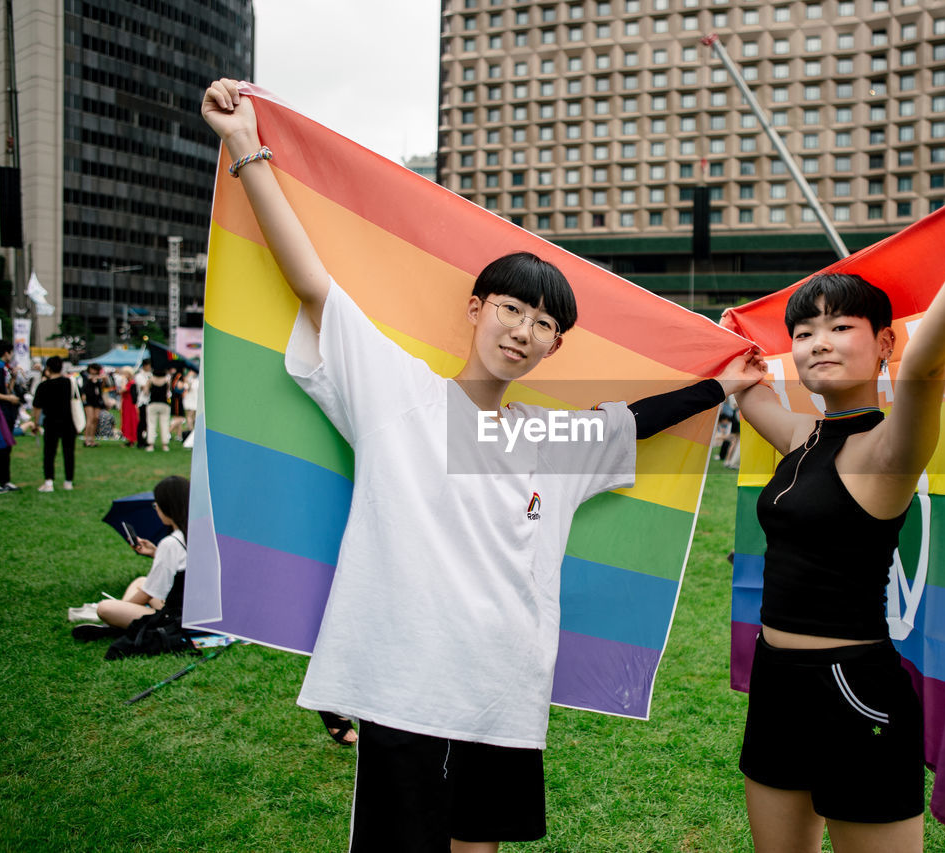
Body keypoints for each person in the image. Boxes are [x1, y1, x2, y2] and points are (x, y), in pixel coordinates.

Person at [202, 78, 764, 852]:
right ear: (476, 308)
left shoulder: (547, 442)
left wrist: (719, 386)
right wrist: (244, 147)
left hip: (504, 690)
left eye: (543, 323)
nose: (524, 330)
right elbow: (312, 281)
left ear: (554, 346)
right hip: (403, 687)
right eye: (511, 309)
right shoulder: (400, 397)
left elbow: (635, 420)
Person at [731, 162, 945, 852]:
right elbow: (743, 385)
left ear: (882, 344)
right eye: (804, 331)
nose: (817, 341)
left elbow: (930, 367)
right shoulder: (801, 435)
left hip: (855, 693)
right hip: (776, 685)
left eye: (840, 326)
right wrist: (725, 339)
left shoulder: (887, 450)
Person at [73, 476, 191, 629]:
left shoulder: (170, 543)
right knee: (140, 581)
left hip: (177, 619)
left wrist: (122, 608)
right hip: (197, 610)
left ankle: (116, 625)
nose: (156, 509)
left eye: (157, 505)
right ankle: (120, 619)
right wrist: (155, 553)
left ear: (167, 507)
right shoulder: (199, 533)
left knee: (106, 608)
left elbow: (148, 593)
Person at [29, 355, 76, 492]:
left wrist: (36, 423)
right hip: (67, 421)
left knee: (49, 452)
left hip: (51, 422)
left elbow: (37, 407)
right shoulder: (68, 383)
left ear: (48, 368)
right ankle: (68, 481)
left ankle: (49, 482)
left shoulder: (43, 386)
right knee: (69, 452)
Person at [0, 341, 20, 492]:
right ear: (6, 352)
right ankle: (3, 481)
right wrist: (10, 399)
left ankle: (5, 480)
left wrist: (13, 378)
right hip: (2, 412)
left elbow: (6, 389)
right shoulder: (0, 367)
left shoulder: (4, 368)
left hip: (6, 411)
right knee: (2, 446)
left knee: (5, 447)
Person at [146, 365, 173, 451]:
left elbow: (146, 392)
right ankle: (165, 445)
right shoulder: (167, 380)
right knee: (165, 424)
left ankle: (151, 445)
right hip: (164, 404)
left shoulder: (150, 379)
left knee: (151, 424)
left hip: (152, 404)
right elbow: (169, 392)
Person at [80, 363, 106, 446]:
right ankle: (86, 439)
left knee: (96, 418)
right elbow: (84, 385)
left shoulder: (99, 377)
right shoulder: (85, 375)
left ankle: (92, 439)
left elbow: (101, 387)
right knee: (90, 419)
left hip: (97, 399)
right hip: (89, 399)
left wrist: (103, 379)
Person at [118, 367, 140, 446]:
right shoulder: (130, 383)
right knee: (128, 420)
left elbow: (122, 389)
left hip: (129, 404)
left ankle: (131, 439)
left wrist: (123, 380)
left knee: (130, 420)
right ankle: (130, 438)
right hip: (127, 404)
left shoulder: (131, 383)